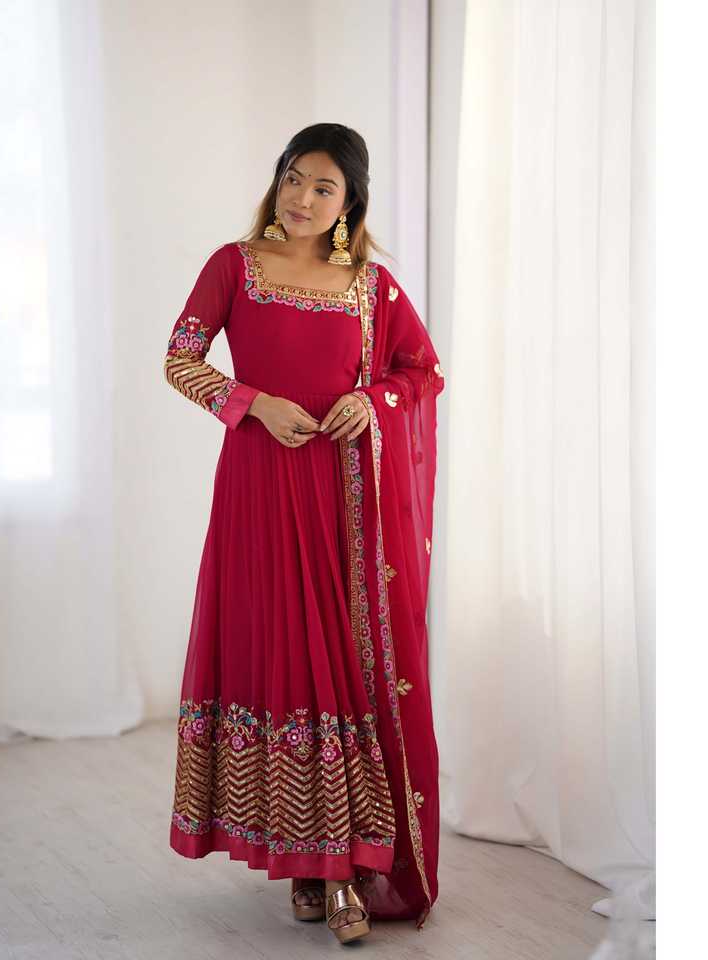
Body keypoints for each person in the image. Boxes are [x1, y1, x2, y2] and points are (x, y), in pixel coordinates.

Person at [163, 123, 445, 943]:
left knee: (342, 673)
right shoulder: (235, 266)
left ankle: (345, 868)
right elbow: (180, 358)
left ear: (350, 202)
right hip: (258, 488)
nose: (303, 197)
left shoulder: (371, 287)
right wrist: (252, 404)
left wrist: (371, 400)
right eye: (294, 177)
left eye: (325, 187)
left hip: (345, 501)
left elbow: (422, 370)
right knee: (282, 662)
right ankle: (307, 865)